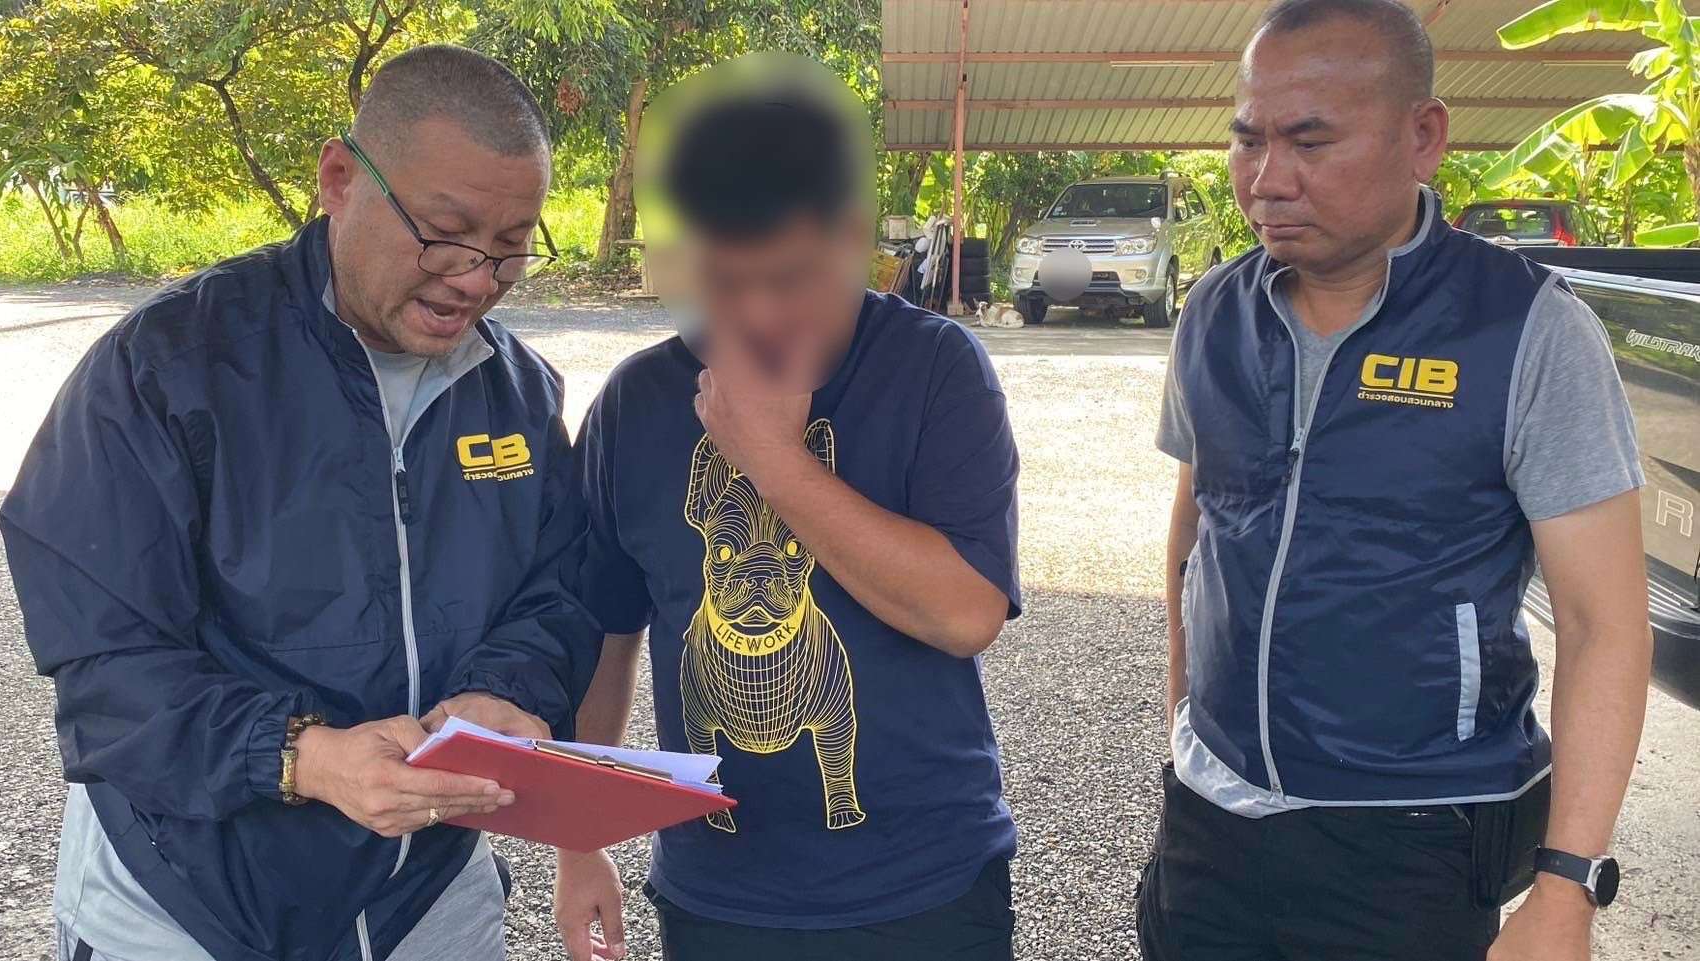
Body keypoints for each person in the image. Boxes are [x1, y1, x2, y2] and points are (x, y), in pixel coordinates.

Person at [0, 45, 600, 961]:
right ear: (339, 180)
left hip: (427, 900)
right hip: (182, 904)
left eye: (513, 246)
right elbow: (106, 665)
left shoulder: (516, 391)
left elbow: (554, 595)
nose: (478, 279)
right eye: (446, 234)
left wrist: (503, 692)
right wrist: (303, 757)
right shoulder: (164, 369)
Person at [1139, 2, 1652, 960]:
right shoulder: (1213, 312)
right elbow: (1195, 534)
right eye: (1246, 140)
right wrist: (1183, 729)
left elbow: (1602, 624)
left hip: (1413, 836)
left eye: (1310, 141)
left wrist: (1565, 888)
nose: (1267, 178)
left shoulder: (1523, 329)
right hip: (1209, 826)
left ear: (1422, 136)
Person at [552, 55, 1021, 961]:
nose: (755, 312)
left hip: (925, 883)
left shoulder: (934, 370)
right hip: (719, 892)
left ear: (852, 237)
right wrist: (580, 841)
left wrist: (772, 458)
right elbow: (605, 636)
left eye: (788, 276)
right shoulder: (637, 402)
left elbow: (965, 612)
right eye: (721, 281)